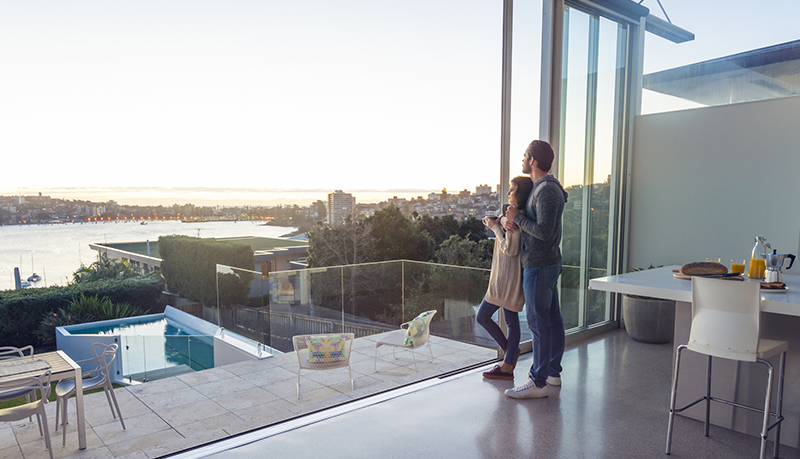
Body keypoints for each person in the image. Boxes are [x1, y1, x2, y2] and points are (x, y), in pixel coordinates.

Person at [502, 139, 568, 399]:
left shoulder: (547, 190)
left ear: (532, 160)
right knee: (552, 320)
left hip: (540, 265)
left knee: (539, 324)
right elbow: (538, 224)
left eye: (524, 155)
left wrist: (516, 218)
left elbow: (543, 231)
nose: (522, 159)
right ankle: (552, 372)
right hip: (545, 263)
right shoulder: (542, 188)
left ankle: (537, 381)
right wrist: (513, 220)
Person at [477, 175, 533, 380]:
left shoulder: (516, 219)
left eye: (512, 190)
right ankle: (508, 362)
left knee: (482, 316)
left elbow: (510, 248)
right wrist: (498, 220)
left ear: (520, 194)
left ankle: (509, 357)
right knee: (511, 321)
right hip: (508, 276)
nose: (508, 193)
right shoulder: (513, 215)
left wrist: (494, 229)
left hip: (506, 279)